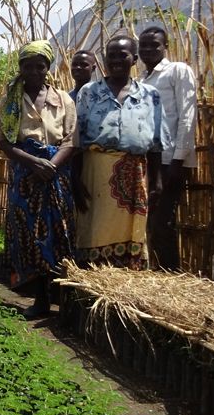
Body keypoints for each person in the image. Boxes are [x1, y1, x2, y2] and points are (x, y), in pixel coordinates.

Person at [73, 33, 168, 270]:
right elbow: (76, 138)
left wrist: (156, 181)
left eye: (122, 55)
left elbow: (156, 142)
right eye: (110, 55)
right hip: (95, 173)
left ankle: (126, 282)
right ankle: (92, 281)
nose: (115, 60)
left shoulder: (149, 95)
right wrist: (75, 179)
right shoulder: (89, 92)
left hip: (134, 174)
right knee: (93, 229)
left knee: (131, 232)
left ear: (134, 59)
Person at [0, 41, 77, 316]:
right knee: (30, 237)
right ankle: (40, 300)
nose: (33, 71)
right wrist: (33, 163)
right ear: (20, 68)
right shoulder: (10, 101)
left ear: (47, 67)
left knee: (60, 235)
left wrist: (50, 166)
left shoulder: (63, 99)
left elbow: (70, 140)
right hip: (25, 174)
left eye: (39, 66)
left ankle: (64, 302)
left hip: (56, 175)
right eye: (27, 66)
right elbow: (4, 142)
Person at [139, 25, 197, 272]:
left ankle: (170, 275)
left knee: (163, 221)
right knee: (150, 220)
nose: (149, 49)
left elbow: (187, 114)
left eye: (155, 45)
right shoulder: (142, 80)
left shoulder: (178, 71)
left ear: (166, 47)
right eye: (144, 46)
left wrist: (178, 160)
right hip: (150, 160)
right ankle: (158, 272)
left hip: (170, 160)